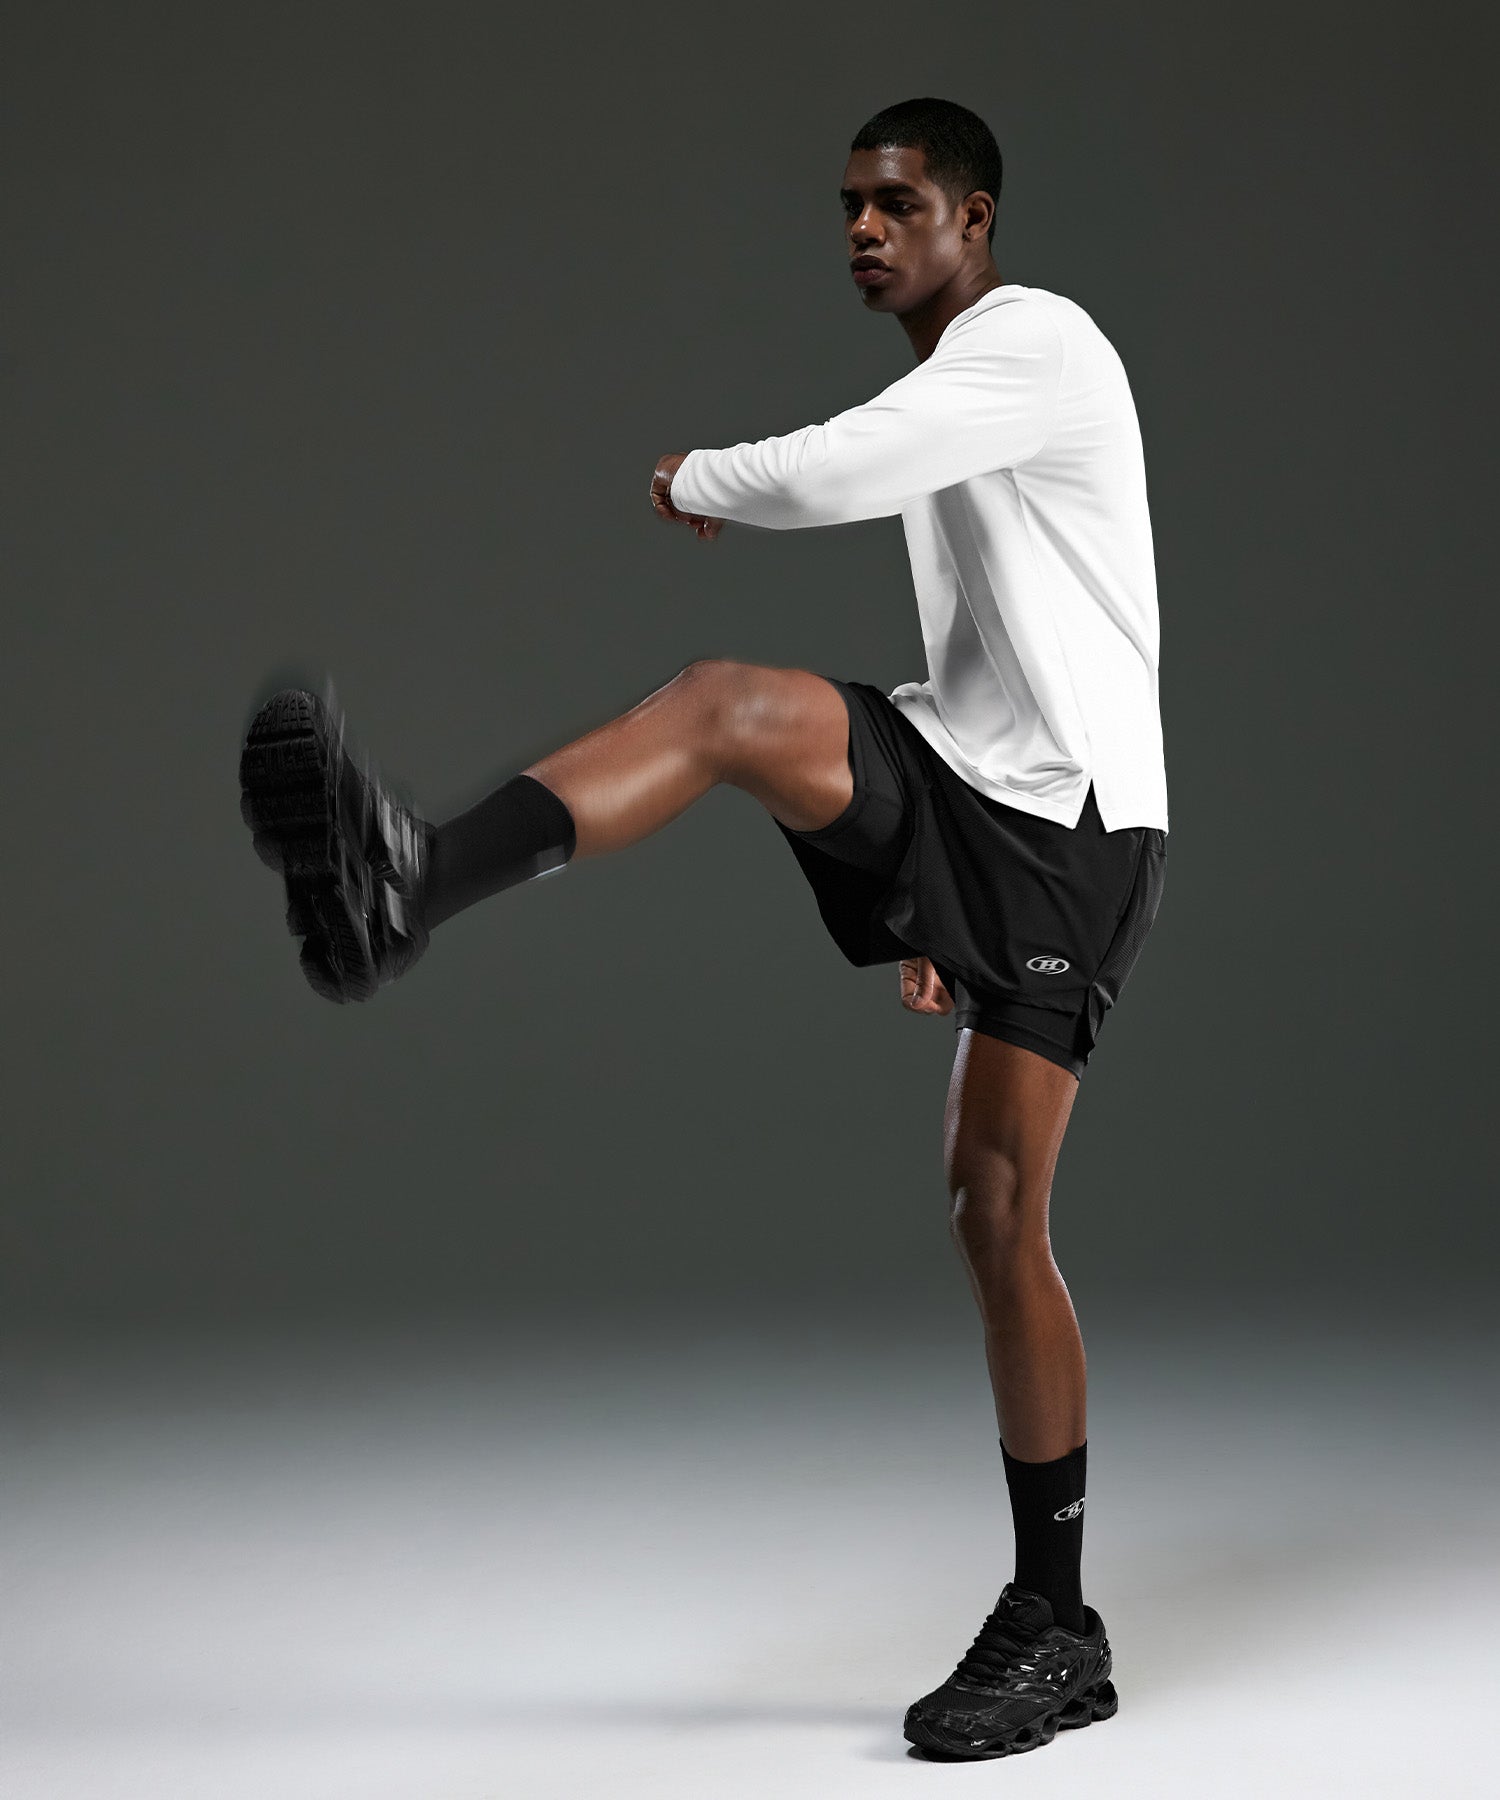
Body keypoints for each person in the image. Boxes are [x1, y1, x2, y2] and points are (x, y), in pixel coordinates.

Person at [238, 94, 1168, 1763]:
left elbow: (846, 469)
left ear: (975, 221)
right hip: (975, 782)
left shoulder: (1035, 342)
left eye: (897, 204)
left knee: (999, 1207)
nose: (862, 229)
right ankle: (404, 880)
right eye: (849, 204)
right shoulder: (959, 383)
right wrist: (922, 883)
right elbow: (984, 649)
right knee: (726, 705)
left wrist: (701, 478)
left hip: (1074, 833)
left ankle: (1058, 1623)